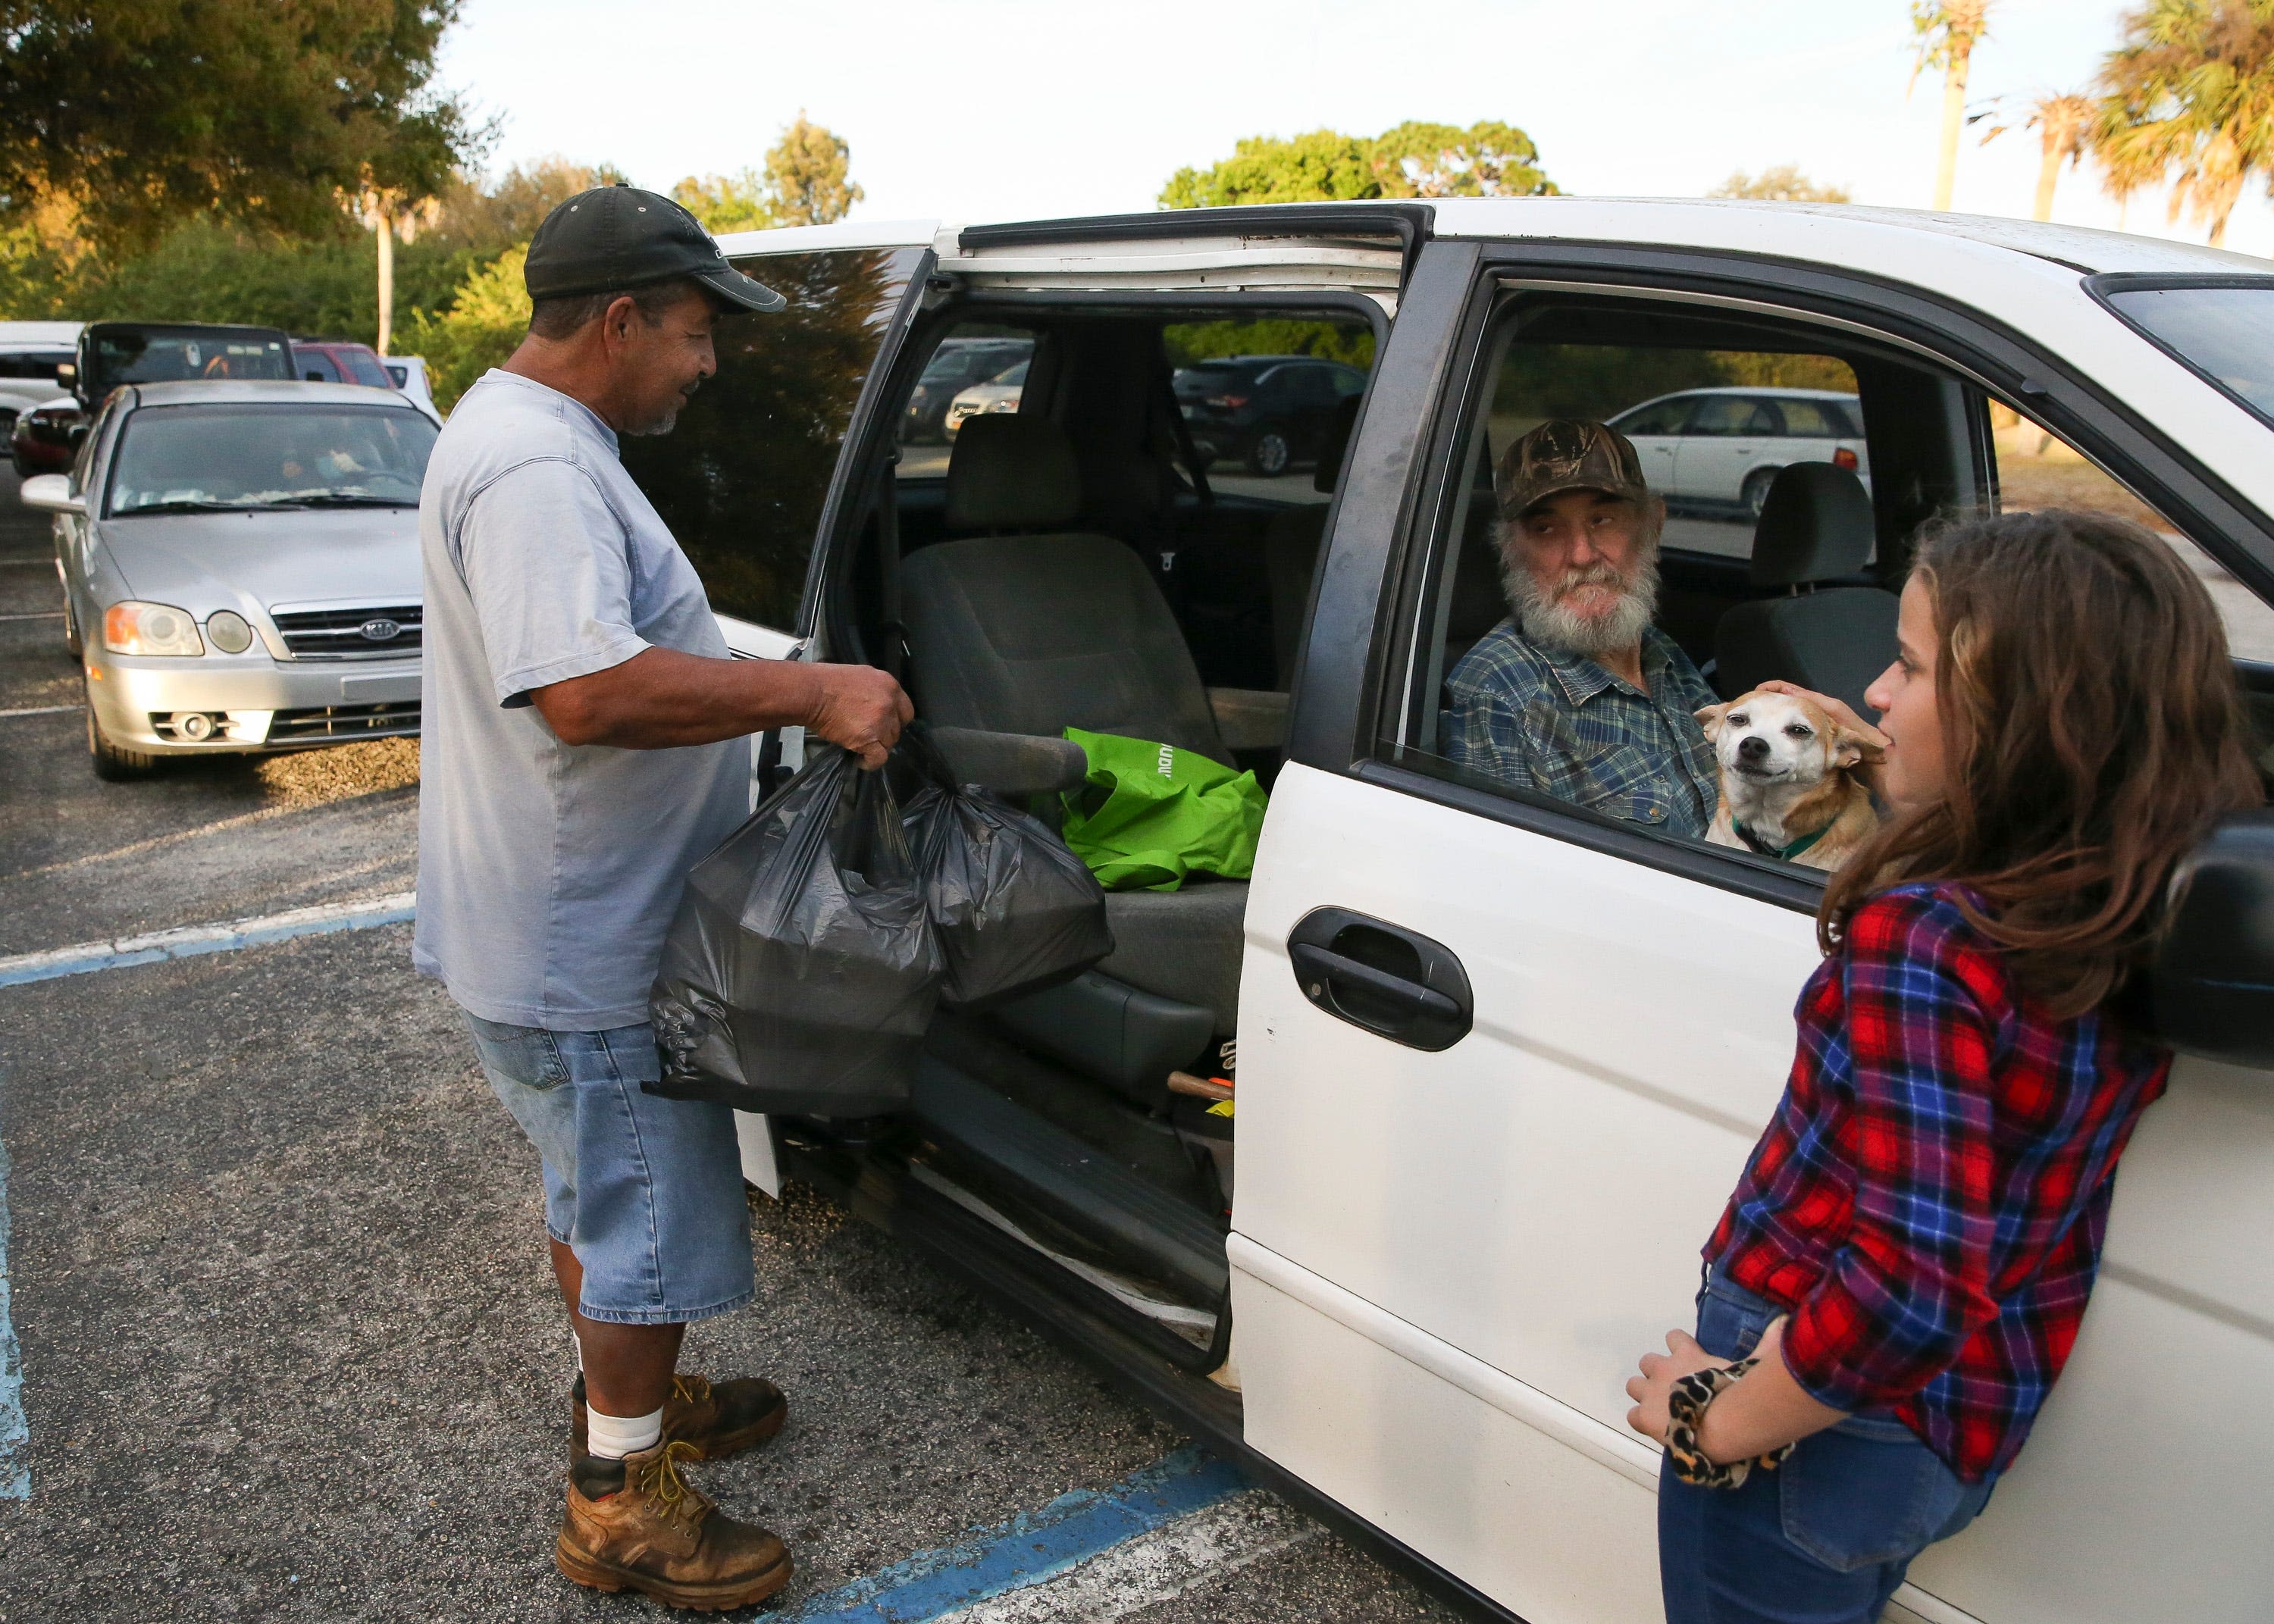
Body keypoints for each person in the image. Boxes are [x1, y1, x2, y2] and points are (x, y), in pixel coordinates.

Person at [1622, 508, 2263, 1623]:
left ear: (2025, 715)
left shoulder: (1926, 942)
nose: (1873, 692)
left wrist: (1717, 1418)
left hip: (1810, 1425)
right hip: (1959, 1421)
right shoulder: (2109, 904)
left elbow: (1912, 1286)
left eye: (1912, 666)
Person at [414, 185, 912, 1611]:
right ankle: (622, 1500)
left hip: (547, 920)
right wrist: (814, 689)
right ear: (619, 320)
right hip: (589, 945)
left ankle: (635, 1407)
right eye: (693, 335)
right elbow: (583, 690)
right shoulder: (537, 472)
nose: (707, 365)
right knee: (644, 1217)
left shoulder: (522, 432)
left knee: (595, 1190)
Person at [1441, 418, 1727, 837]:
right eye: (1546, 529)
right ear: (1510, 548)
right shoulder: (1499, 697)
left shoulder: (1656, 650)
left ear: (1653, 525)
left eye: (1602, 520)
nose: (1581, 555)